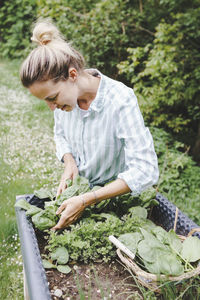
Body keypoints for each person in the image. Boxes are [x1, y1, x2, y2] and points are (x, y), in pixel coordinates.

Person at [20, 20, 159, 230]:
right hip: (80, 196)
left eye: (53, 98)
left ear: (72, 75)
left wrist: (87, 199)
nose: (51, 107)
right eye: (46, 101)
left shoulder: (121, 100)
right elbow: (61, 135)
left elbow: (145, 169)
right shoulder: (66, 102)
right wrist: (69, 162)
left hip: (118, 204)